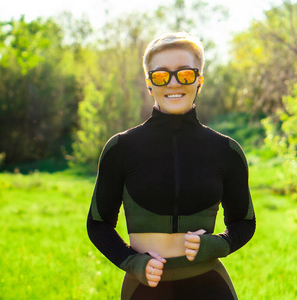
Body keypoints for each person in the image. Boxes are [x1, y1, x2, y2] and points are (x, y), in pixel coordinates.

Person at [87, 31, 256, 300]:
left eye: (185, 74)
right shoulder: (121, 148)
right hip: (145, 288)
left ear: (199, 81)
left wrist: (218, 244)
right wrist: (132, 262)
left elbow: (244, 222)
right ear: (149, 83)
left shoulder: (226, 150)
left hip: (210, 286)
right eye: (161, 75)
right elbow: (98, 224)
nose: (173, 83)